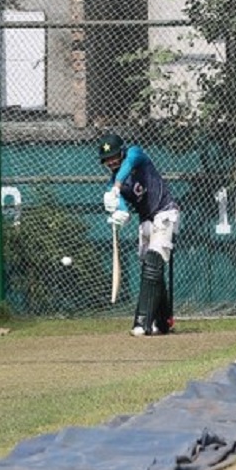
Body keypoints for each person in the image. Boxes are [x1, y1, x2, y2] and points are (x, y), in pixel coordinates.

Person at [99, 133, 179, 337]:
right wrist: (119, 214)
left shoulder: (135, 154)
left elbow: (128, 164)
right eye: (107, 160)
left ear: (122, 152)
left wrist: (116, 187)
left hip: (165, 212)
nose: (112, 162)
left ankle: (142, 322)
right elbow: (124, 208)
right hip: (146, 220)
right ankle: (162, 322)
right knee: (151, 269)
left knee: (154, 260)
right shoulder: (111, 185)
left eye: (115, 157)